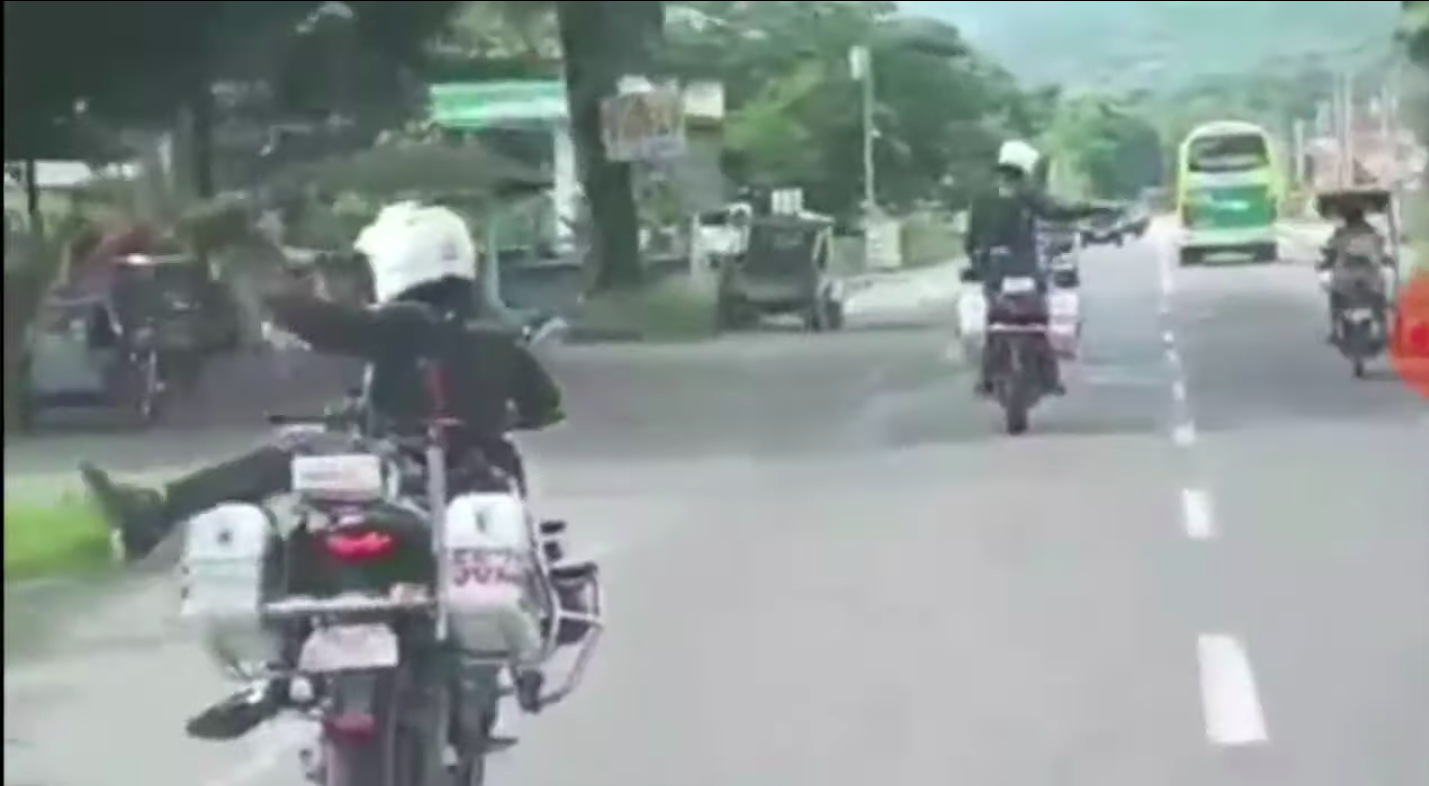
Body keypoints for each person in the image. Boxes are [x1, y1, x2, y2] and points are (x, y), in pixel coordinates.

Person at [81, 199, 565, 562]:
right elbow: (546, 407)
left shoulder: (407, 321)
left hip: (399, 475)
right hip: (479, 482)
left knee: (295, 449)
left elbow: (333, 326)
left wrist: (269, 293)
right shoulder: (498, 335)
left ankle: (155, 512)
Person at [962, 139, 1107, 396]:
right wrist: (1091, 208)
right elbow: (1057, 210)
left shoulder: (982, 196)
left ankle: (986, 377)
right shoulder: (1026, 192)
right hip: (1024, 265)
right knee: (1040, 316)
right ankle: (1050, 375)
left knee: (993, 318)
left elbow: (971, 238)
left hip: (993, 268)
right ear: (1025, 166)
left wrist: (976, 263)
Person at [1317, 200, 1390, 342]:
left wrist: (1324, 262)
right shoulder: (1373, 233)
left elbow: (1330, 250)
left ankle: (1335, 330)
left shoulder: (1341, 233)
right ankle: (1382, 329)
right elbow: (1381, 253)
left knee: (1335, 297)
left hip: (1345, 276)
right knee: (1379, 298)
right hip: (1370, 276)